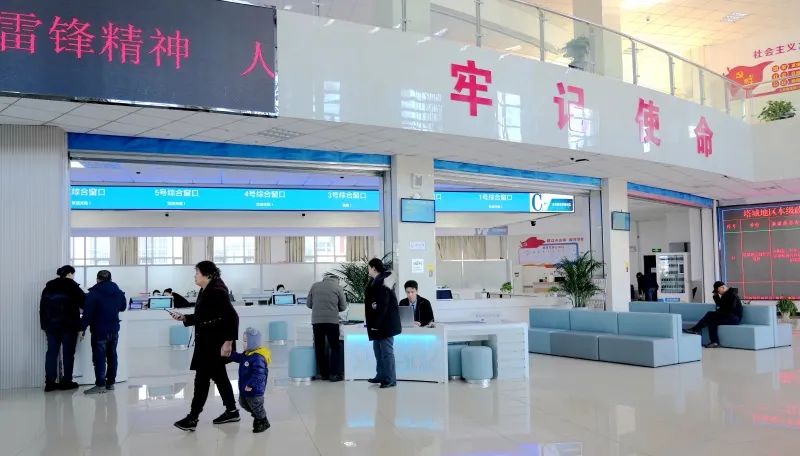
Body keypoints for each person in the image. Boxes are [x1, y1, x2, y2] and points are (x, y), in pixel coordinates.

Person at [171, 261, 240, 432]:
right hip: (208, 342)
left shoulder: (217, 291)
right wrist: (185, 318)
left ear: (207, 274)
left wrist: (228, 342)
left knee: (201, 380)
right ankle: (232, 411)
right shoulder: (207, 290)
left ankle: (193, 418)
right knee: (219, 377)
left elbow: (233, 317)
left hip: (213, 344)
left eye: (197, 272)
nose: (195, 276)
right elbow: (205, 316)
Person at [80, 270, 127, 395]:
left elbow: (87, 314)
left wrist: (82, 328)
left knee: (99, 358)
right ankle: (110, 383)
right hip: (114, 328)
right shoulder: (118, 292)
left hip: (99, 330)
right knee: (112, 356)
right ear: (111, 279)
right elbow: (123, 307)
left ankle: (100, 385)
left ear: (97, 279)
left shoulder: (94, 294)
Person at [40, 265, 86, 392]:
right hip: (69, 326)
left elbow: (42, 307)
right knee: (68, 354)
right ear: (70, 274)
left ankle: (50, 383)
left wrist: (44, 325)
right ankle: (66, 382)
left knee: (52, 353)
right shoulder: (73, 286)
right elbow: (85, 302)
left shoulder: (48, 287)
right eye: (73, 274)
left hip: (51, 326)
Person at [364, 258, 401, 389]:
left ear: (373, 268)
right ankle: (381, 375)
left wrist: (376, 323)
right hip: (377, 323)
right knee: (378, 351)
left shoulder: (384, 282)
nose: (368, 270)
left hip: (385, 324)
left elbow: (383, 305)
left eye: (369, 267)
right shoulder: (375, 281)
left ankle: (390, 379)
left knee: (386, 352)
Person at [227, 327, 271, 433]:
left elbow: (259, 375)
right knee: (243, 403)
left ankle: (263, 421)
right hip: (244, 387)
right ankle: (257, 416)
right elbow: (240, 358)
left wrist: (251, 385)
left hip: (255, 389)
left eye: (246, 341)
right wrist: (230, 354)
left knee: (256, 406)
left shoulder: (258, 358)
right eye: (243, 341)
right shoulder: (247, 354)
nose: (243, 343)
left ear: (253, 342)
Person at [306, 275, 348, 382]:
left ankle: (324, 374)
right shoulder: (338, 287)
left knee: (319, 347)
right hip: (332, 321)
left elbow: (308, 304)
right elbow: (343, 307)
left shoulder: (315, 286)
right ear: (337, 280)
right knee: (334, 347)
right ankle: (334, 374)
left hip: (317, 322)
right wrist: (334, 308)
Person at [684, 281, 743, 348]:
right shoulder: (726, 294)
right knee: (712, 322)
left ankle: (695, 329)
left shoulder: (732, 294)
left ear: (722, 287)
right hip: (728, 316)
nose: (718, 293)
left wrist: (718, 313)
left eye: (718, 291)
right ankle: (715, 342)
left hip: (734, 318)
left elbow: (729, 308)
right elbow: (721, 305)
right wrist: (716, 296)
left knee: (710, 314)